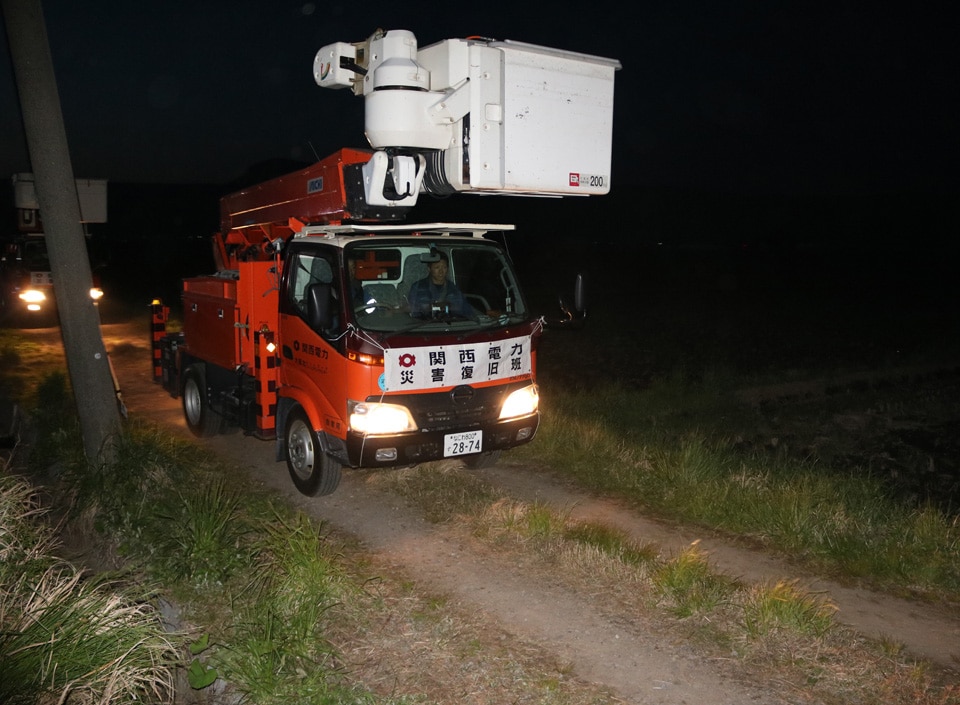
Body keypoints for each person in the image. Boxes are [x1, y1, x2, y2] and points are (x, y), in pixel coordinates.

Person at [407, 250, 472, 317]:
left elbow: (466, 312)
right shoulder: (418, 288)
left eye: (444, 267)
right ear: (429, 269)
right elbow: (413, 313)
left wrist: (450, 306)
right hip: (425, 326)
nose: (441, 271)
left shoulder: (454, 289)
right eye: (437, 267)